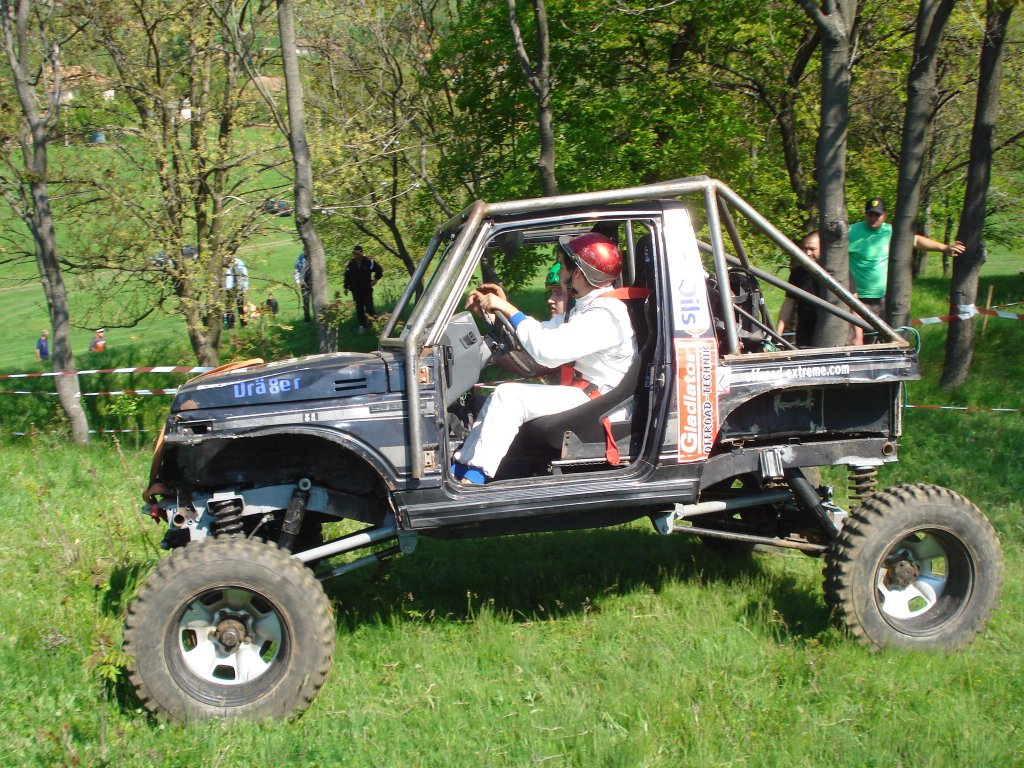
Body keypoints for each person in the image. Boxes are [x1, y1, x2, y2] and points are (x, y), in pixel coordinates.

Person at [452, 233, 636, 485]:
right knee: (500, 396)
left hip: (603, 405)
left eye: (563, 267)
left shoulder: (605, 316)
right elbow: (543, 333)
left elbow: (547, 352)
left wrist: (508, 309)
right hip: (590, 396)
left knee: (509, 396)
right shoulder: (589, 307)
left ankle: (473, 479)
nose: (559, 273)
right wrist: (503, 312)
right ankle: (460, 470)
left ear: (578, 273)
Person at [848, 197, 964, 317]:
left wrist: (944, 248)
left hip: (884, 298)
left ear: (885, 215)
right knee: (856, 330)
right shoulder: (850, 231)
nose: (873, 218)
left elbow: (916, 240)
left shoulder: (891, 232)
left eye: (877, 215)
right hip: (855, 298)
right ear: (865, 214)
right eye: (870, 214)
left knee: (882, 329)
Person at [777, 232, 822, 348]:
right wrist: (777, 335)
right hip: (805, 334)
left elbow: (853, 304)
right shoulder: (798, 273)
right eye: (805, 248)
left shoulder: (837, 273)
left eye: (812, 249)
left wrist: (857, 336)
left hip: (830, 333)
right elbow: (788, 304)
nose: (808, 253)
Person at [344, 245, 383, 332]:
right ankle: (362, 325)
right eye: (354, 254)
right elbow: (347, 275)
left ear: (361, 253)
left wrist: (375, 280)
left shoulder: (369, 261)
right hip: (355, 289)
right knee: (359, 308)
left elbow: (379, 270)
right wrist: (346, 287)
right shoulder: (351, 263)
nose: (356, 256)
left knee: (369, 306)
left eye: (357, 254)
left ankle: (373, 325)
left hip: (366, 288)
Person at [224, 257, 249, 329]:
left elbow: (245, 275)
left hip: (239, 288)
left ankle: (244, 324)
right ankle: (230, 325)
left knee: (240, 306)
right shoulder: (225, 264)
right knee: (228, 306)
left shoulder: (239, 264)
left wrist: (245, 288)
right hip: (229, 288)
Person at [294, 252, 312, 322]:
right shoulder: (301, 257)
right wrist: (297, 281)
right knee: (306, 301)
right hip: (304, 283)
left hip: (314, 283)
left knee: (316, 301)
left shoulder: (314, 256)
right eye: (304, 249)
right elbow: (296, 269)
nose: (305, 251)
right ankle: (307, 320)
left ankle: (318, 319)